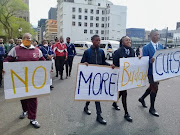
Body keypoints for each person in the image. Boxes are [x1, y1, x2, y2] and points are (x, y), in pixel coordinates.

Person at [4, 33, 46, 128]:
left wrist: (47, 68)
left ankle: (33, 119)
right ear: (22, 39)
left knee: (33, 99)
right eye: (25, 38)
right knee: (23, 98)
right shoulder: (15, 50)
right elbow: (7, 60)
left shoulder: (37, 50)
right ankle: (25, 110)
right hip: (20, 80)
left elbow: (43, 61)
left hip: (33, 80)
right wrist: (5, 67)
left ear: (32, 40)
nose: (27, 39)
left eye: (29, 38)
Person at [81, 35, 115, 125]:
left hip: (98, 78)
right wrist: (85, 63)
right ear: (92, 41)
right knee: (91, 94)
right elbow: (82, 63)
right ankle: (88, 108)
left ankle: (98, 115)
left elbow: (103, 62)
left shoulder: (101, 51)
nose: (98, 42)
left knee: (96, 96)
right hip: (90, 78)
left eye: (99, 40)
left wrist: (110, 65)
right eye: (97, 40)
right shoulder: (87, 52)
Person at [138, 29, 164, 117]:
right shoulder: (146, 47)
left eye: (158, 34)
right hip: (150, 72)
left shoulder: (161, 46)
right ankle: (152, 108)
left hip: (158, 72)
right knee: (155, 88)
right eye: (156, 35)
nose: (158, 36)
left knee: (152, 87)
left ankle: (142, 98)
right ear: (152, 36)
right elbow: (144, 60)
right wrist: (150, 61)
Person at [112, 36, 135, 122]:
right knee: (124, 93)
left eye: (129, 40)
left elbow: (134, 62)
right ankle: (126, 113)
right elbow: (115, 64)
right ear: (122, 42)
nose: (129, 41)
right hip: (120, 76)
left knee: (121, 92)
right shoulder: (117, 52)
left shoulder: (132, 51)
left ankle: (114, 102)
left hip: (127, 76)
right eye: (127, 40)